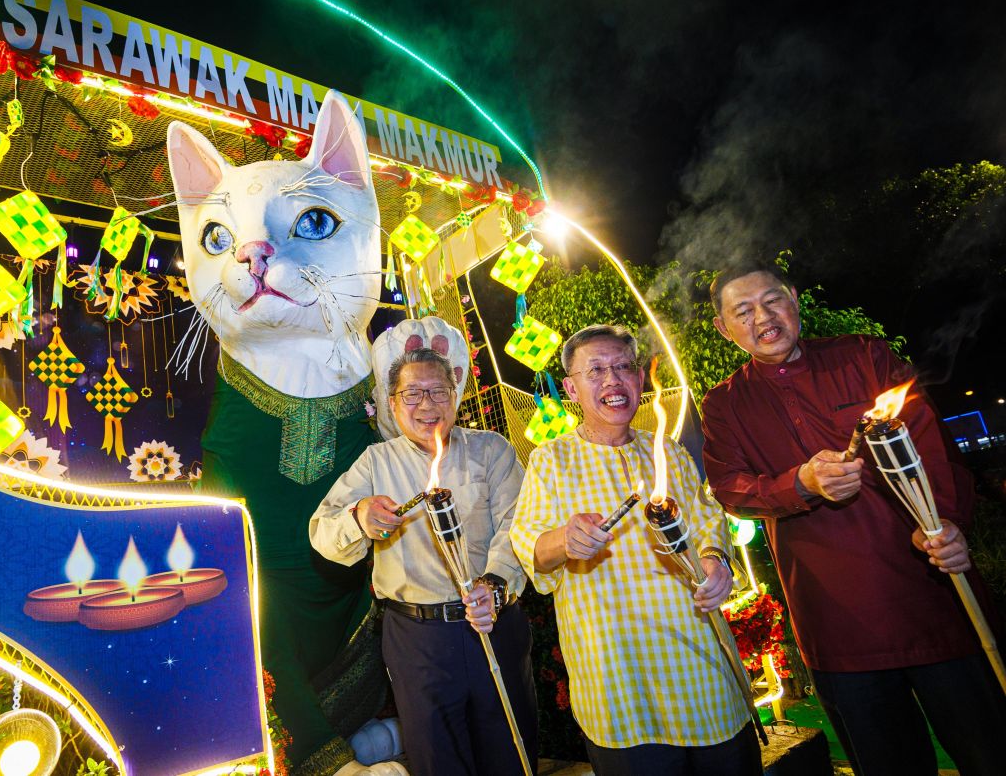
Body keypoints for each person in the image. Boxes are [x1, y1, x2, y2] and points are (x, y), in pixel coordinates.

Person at [701, 262, 1005, 776]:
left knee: (991, 753)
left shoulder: (864, 356)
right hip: (838, 628)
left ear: (794, 299)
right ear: (724, 328)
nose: (763, 318)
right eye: (744, 311)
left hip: (933, 597)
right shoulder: (725, 405)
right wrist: (800, 482)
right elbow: (730, 487)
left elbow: (935, 452)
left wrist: (948, 523)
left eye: (772, 300)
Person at [511, 325, 762, 776]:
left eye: (623, 367)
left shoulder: (665, 451)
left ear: (640, 380)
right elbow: (529, 543)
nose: (613, 380)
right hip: (620, 679)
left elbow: (709, 521)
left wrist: (717, 562)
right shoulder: (550, 460)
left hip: (702, 668)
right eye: (596, 370)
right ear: (571, 387)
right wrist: (565, 540)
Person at [310, 347, 539, 776]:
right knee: (436, 758)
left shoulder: (492, 450)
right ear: (392, 404)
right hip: (418, 638)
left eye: (438, 391)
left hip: (494, 623)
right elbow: (323, 532)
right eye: (412, 394)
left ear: (456, 397)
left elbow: (518, 525)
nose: (427, 405)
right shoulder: (377, 462)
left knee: (511, 750)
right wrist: (359, 517)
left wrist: (494, 584)